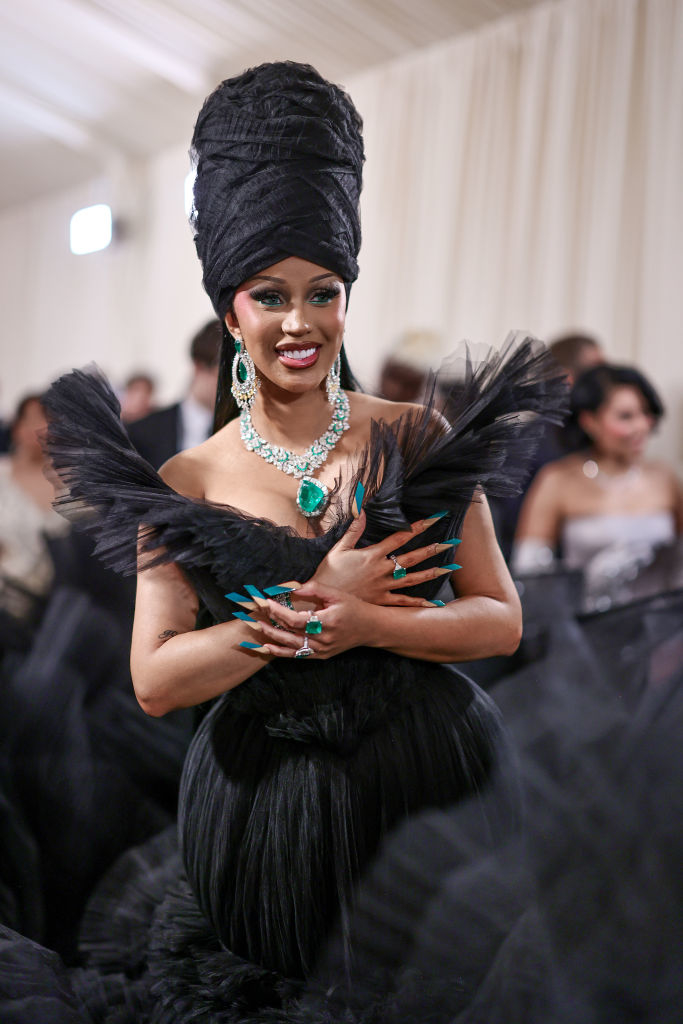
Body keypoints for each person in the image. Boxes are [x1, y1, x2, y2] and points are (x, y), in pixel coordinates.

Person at [0, 62, 566, 1020]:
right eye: (270, 296)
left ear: (347, 297)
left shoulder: (414, 434)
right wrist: (308, 620)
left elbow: (499, 621)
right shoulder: (188, 479)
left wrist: (362, 621)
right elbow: (156, 677)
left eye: (324, 291)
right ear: (231, 313)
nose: (300, 322)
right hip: (267, 813)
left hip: (430, 794)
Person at [513, 363, 682, 610]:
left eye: (645, 413)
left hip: (663, 628)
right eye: (626, 416)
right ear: (589, 421)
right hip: (588, 627)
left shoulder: (664, 478)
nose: (641, 426)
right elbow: (529, 570)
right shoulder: (558, 479)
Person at [491, 332, 606, 559]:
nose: (605, 383)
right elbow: (513, 529)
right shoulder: (532, 442)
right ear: (567, 377)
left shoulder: (585, 436)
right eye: (596, 373)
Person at [0, 393, 68, 633]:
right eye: (33, 420)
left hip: (55, 608)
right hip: (7, 601)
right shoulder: (3, 475)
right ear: (17, 427)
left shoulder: (72, 483)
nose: (41, 428)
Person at [126, 319, 221, 468]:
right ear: (199, 368)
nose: (234, 387)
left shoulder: (250, 435)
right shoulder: (139, 434)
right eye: (225, 376)